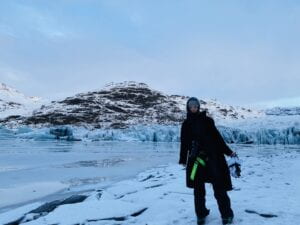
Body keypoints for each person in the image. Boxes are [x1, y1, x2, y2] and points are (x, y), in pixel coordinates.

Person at [179, 97, 237, 225]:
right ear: (188, 107)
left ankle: (226, 215)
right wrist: (183, 159)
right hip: (196, 161)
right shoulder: (186, 124)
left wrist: (228, 151)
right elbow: (184, 143)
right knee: (198, 189)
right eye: (191, 106)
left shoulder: (207, 121)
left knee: (219, 187)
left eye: (195, 105)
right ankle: (201, 214)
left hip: (212, 159)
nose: (193, 107)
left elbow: (217, 138)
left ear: (198, 106)